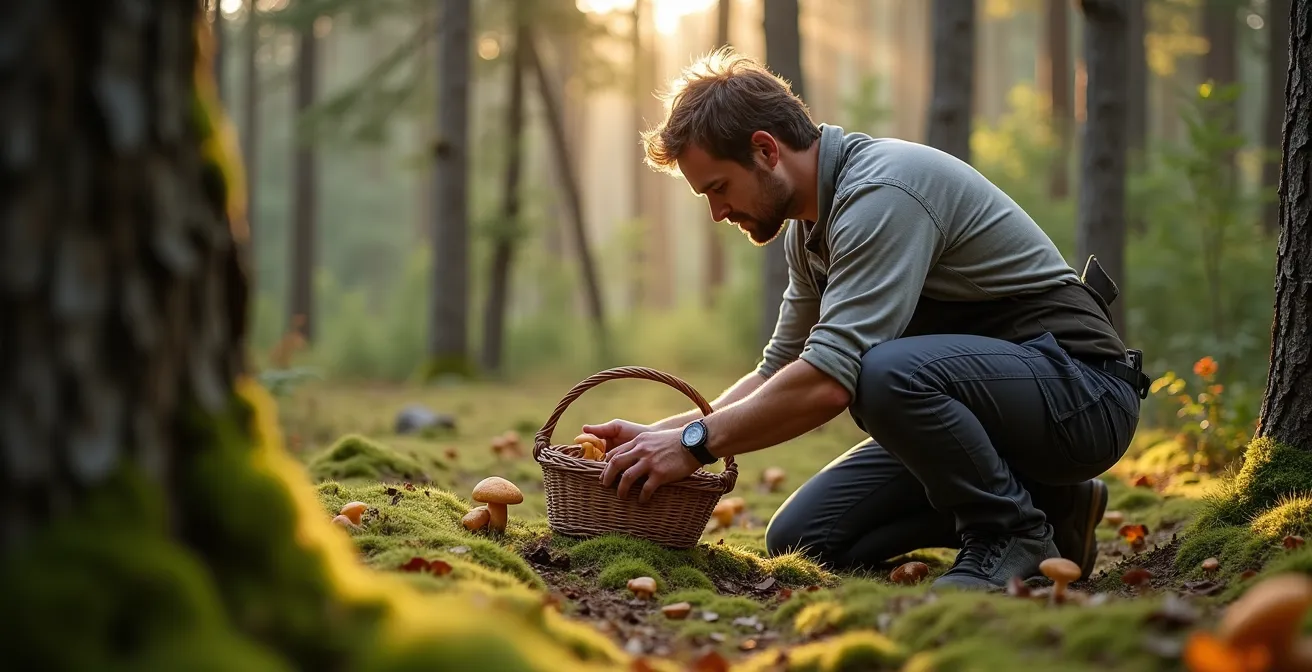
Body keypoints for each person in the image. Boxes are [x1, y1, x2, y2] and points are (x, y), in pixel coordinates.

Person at [585, 48, 1148, 592]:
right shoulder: (810, 228)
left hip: (1083, 396)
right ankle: (1056, 508)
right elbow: (779, 370)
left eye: (718, 187)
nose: (718, 211)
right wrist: (659, 435)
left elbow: (828, 383)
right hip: (995, 416)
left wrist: (693, 446)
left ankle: (1012, 534)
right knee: (803, 538)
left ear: (765, 149)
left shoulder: (881, 192)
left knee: (881, 373)